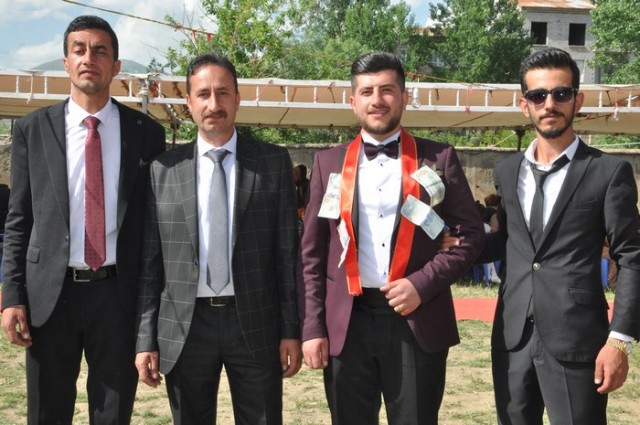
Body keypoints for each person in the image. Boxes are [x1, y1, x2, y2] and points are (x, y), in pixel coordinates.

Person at [299, 51, 484, 425]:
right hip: (346, 322)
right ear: (353, 101)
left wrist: (421, 284)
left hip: (417, 316)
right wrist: (312, 326)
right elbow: (312, 254)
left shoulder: (439, 158)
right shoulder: (327, 162)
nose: (377, 100)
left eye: (386, 90)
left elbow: (471, 235)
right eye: (367, 91)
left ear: (404, 97)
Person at [0, 15, 166, 424]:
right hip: (50, 296)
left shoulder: (146, 133)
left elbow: (152, 228)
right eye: (79, 50)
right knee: (47, 412)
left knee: (112, 413)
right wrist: (12, 295)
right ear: (66, 62)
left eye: (100, 50)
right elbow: (19, 218)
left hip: (117, 295)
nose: (89, 57)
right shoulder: (33, 129)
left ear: (116, 65)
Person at [134, 53, 301, 425]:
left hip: (255, 323)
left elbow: (286, 256)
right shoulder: (163, 170)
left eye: (223, 93)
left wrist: (291, 330)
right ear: (189, 102)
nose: (214, 104)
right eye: (203, 94)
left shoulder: (272, 163)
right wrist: (145, 338)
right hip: (185, 327)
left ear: (238, 99)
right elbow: (150, 265)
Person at [485, 48, 640, 424]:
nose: (549, 103)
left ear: (578, 100)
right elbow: (508, 243)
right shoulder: (506, 172)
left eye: (561, 93)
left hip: (578, 341)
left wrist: (620, 340)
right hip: (512, 338)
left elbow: (632, 257)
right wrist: (444, 242)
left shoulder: (608, 171)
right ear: (524, 105)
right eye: (538, 95)